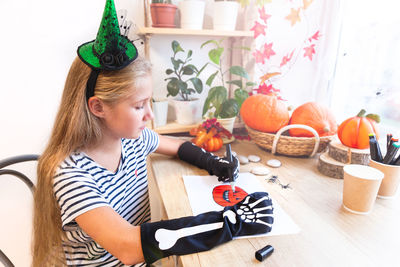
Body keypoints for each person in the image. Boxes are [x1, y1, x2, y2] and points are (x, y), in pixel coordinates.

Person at [32, 1, 274, 266]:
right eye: (139, 106)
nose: (149, 114)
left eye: (149, 102)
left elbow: (175, 146)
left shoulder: (131, 140)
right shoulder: (72, 175)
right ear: (98, 107)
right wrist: (233, 220)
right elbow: (128, 246)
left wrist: (212, 162)